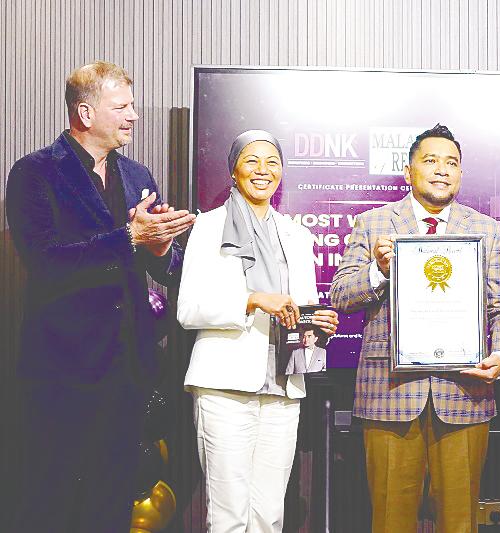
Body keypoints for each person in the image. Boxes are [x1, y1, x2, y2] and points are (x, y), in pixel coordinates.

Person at [5, 61, 195, 531]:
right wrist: (129, 237)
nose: (134, 116)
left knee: (112, 502)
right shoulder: (34, 173)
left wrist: (162, 246)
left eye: (132, 105)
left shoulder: (137, 175)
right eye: (122, 107)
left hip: (128, 371)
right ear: (85, 113)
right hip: (61, 372)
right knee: (52, 501)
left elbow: (165, 270)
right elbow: (46, 261)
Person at [330, 124, 500, 533]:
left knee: (460, 521)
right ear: (408, 170)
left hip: (465, 394)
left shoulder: (485, 229)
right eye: (430, 160)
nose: (441, 170)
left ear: (461, 174)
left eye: (451, 163)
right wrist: (379, 272)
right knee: (390, 519)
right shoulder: (374, 223)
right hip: (389, 393)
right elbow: (342, 296)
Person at [177, 130, 338, 533]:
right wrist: (251, 300)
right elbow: (188, 310)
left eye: (272, 162)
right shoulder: (209, 227)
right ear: (234, 171)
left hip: (284, 387)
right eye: (252, 161)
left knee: (269, 514)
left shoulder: (297, 236)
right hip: (225, 386)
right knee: (229, 514)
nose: (262, 171)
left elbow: (297, 310)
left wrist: (318, 325)